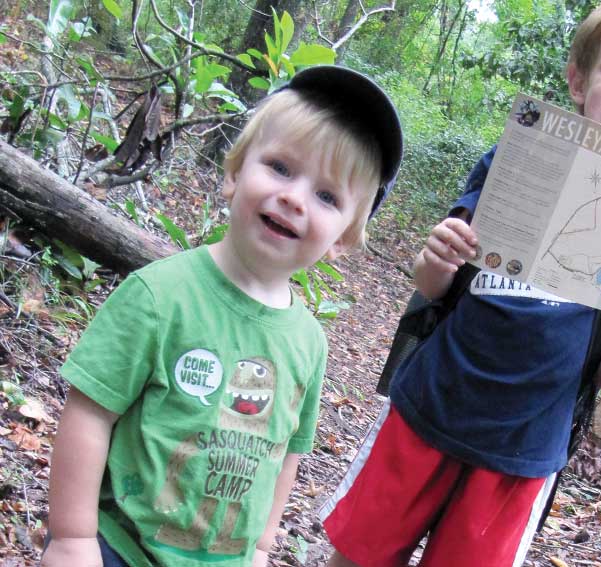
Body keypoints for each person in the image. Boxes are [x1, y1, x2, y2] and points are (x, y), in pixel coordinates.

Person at [320, 1, 601, 566]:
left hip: (524, 449)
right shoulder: (519, 158)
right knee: (359, 554)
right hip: (433, 401)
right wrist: (438, 257)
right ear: (579, 79)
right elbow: (432, 287)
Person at [41, 65, 403, 567]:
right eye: (279, 167)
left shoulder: (307, 343)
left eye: (326, 196)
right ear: (235, 173)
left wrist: (260, 546)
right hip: (120, 549)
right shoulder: (160, 295)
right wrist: (73, 538)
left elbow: (287, 455)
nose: (294, 198)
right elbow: (89, 413)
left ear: (342, 238)